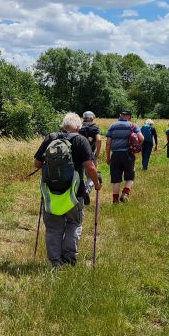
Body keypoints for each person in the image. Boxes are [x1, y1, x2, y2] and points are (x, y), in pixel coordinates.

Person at [34, 112, 103, 268]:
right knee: (74, 223)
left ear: (63, 126)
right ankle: (69, 258)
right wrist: (96, 184)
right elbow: (90, 166)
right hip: (74, 192)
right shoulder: (81, 140)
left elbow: (37, 164)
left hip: (51, 192)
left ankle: (55, 262)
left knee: (53, 227)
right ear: (78, 126)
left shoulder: (51, 138)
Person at [105, 109, 141, 204]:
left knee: (116, 179)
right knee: (130, 177)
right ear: (129, 116)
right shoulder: (133, 125)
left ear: (120, 115)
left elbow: (108, 144)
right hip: (128, 154)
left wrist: (108, 157)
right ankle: (125, 193)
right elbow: (141, 138)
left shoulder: (112, 126)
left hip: (115, 155)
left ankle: (115, 200)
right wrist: (136, 146)